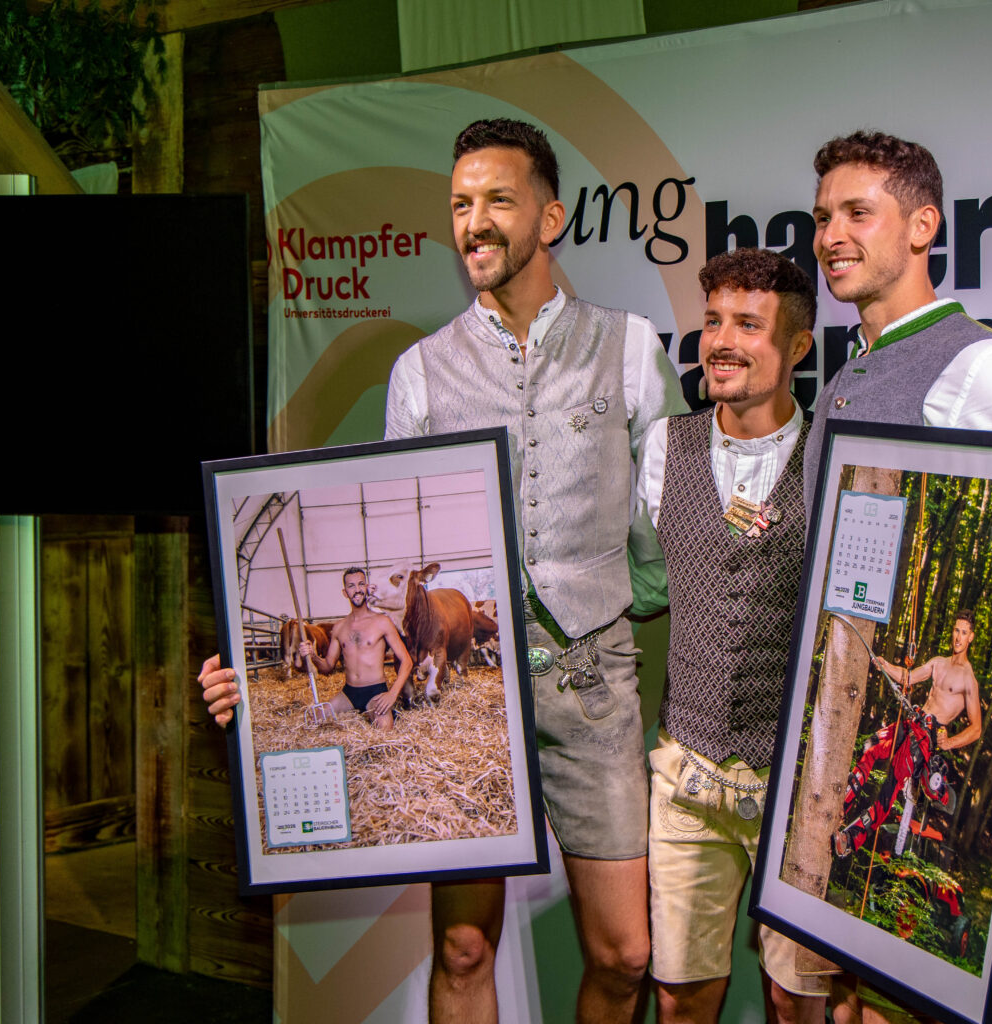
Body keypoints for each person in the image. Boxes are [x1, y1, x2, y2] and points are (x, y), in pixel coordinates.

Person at [200, 118, 685, 1024]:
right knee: (463, 946)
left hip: (593, 684)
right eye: (460, 205)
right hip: (480, 703)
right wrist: (247, 673)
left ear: (550, 218)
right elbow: (380, 554)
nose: (474, 222)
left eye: (498, 199)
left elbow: (666, 520)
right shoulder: (420, 372)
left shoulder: (628, 348)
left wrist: (621, 602)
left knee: (625, 955)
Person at [801, 131, 992, 1024]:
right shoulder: (848, 375)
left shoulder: (983, 367)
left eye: (858, 212)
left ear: (923, 225)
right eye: (822, 217)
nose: (831, 236)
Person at [631, 248, 825, 1024]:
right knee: (680, 997)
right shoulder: (663, 447)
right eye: (713, 321)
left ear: (797, 346)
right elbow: (642, 579)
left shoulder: (833, 455)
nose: (720, 341)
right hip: (687, 777)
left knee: (796, 999)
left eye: (748, 324)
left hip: (799, 786)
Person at [835, 609, 981, 856]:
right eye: (956, 630)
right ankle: (842, 804)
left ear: (971, 638)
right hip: (911, 723)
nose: (958, 637)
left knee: (890, 786)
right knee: (871, 746)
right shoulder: (939, 662)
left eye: (964, 633)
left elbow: (976, 729)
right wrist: (886, 665)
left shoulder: (969, 680)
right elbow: (908, 677)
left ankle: (849, 840)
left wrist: (949, 743)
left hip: (925, 740)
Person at [294, 567, 414, 730]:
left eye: (361, 584)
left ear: (367, 587)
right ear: (345, 593)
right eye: (351, 586)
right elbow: (327, 667)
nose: (357, 590)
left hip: (375, 692)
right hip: (349, 693)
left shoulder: (382, 622)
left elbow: (407, 661)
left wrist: (392, 694)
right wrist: (313, 656)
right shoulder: (339, 627)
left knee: (385, 726)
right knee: (315, 717)